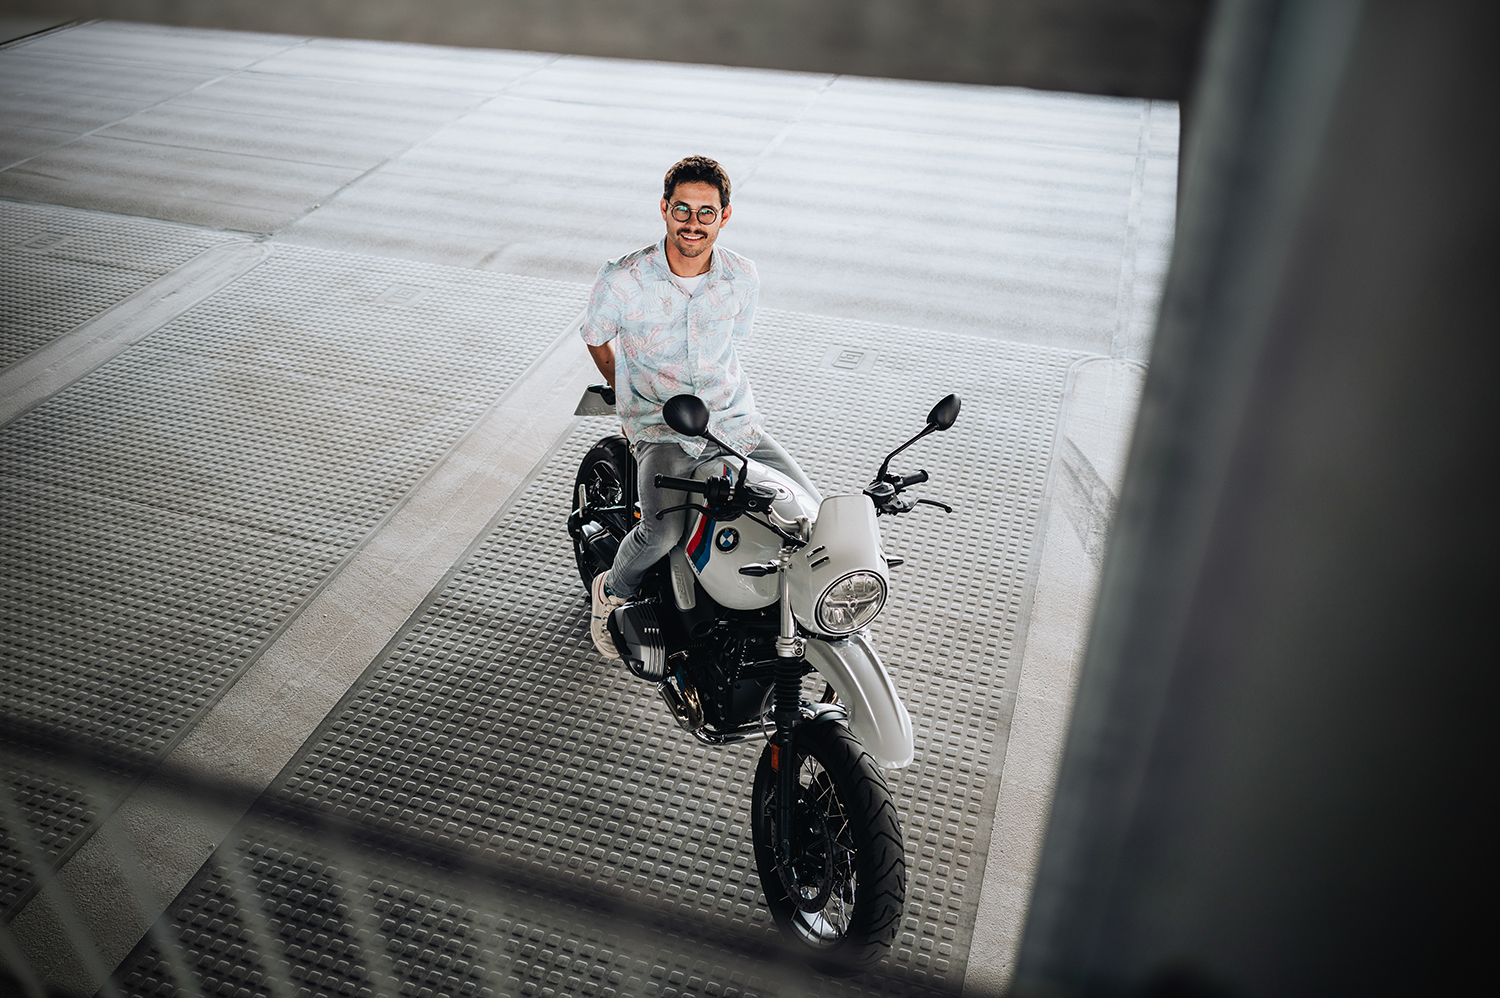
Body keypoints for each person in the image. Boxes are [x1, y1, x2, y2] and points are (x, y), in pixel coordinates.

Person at [580, 155, 821, 659]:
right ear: (665, 210)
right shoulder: (622, 280)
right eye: (682, 210)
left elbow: (734, 339)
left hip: (732, 420)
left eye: (706, 212)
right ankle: (611, 594)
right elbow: (597, 338)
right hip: (660, 429)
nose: (693, 223)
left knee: (811, 515)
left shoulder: (741, 277)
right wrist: (624, 391)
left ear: (724, 216)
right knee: (661, 530)